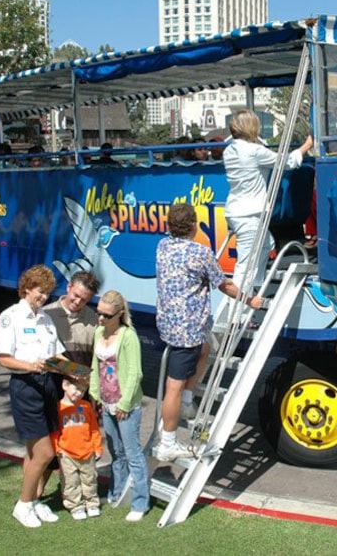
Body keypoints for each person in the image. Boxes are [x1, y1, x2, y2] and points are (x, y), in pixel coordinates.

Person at [154, 203, 262, 461]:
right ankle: (167, 442)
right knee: (173, 387)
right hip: (187, 329)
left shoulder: (163, 246)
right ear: (193, 226)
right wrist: (250, 301)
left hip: (169, 324)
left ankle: (188, 401)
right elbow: (224, 285)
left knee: (207, 348)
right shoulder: (199, 252)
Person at [0, 264, 66, 528]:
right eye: (39, 292)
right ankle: (23, 505)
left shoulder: (46, 319)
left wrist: (76, 370)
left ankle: (34, 500)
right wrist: (31, 366)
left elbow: (57, 354)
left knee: (33, 453)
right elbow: (3, 358)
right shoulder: (10, 317)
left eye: (47, 293)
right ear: (26, 289)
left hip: (49, 385)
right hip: (26, 387)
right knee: (44, 453)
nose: (43, 297)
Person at [222, 109, 313, 291]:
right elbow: (286, 163)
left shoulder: (229, 150)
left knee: (266, 244)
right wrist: (306, 145)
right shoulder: (254, 151)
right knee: (245, 265)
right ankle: (240, 306)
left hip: (236, 209)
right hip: (249, 213)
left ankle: (256, 286)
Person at [90, 290, 150, 522]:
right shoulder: (98, 332)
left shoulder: (128, 336)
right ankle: (116, 492)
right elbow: (95, 367)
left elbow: (136, 373)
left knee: (133, 453)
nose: (101, 319)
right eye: (99, 314)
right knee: (116, 452)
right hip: (106, 403)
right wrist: (95, 395)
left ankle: (140, 502)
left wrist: (124, 404)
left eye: (106, 316)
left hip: (126, 406)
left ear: (119, 314)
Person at [51, 377, 103, 521]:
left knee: (90, 479)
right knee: (70, 481)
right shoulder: (58, 408)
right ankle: (75, 505)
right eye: (76, 388)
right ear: (65, 385)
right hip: (67, 453)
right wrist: (57, 448)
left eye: (83, 390)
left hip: (87, 451)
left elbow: (94, 428)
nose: (79, 393)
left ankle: (91, 503)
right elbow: (55, 431)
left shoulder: (86, 406)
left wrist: (97, 447)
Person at [43, 271, 101, 367]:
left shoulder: (94, 320)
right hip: (50, 378)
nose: (78, 302)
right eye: (76, 295)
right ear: (69, 287)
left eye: (84, 300)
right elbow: (42, 353)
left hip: (82, 379)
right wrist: (73, 371)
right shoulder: (46, 315)